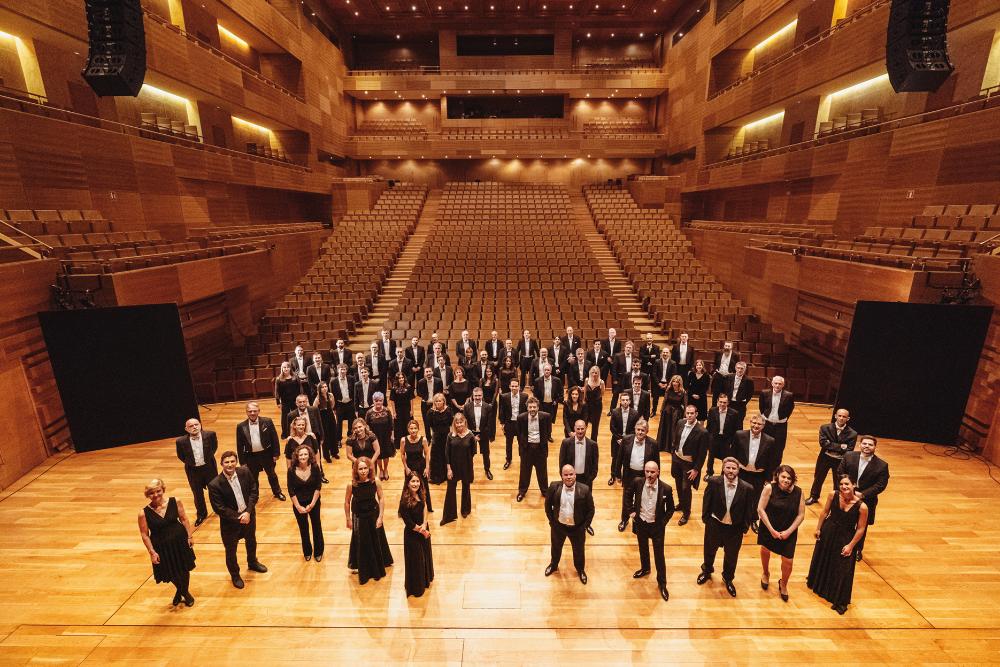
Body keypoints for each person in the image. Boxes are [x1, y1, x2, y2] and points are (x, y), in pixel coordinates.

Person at [807, 474, 869, 614]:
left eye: (847, 484)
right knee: (825, 558)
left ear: (854, 485)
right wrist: (818, 528)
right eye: (841, 484)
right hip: (829, 531)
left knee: (843, 568)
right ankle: (820, 586)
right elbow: (824, 512)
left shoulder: (862, 507)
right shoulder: (833, 495)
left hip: (846, 536)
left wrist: (851, 546)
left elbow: (860, 529)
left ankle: (839, 598)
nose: (843, 487)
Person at [208, 450, 267, 589]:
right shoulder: (214, 484)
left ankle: (252, 562)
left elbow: (253, 491)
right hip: (230, 523)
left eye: (232, 461)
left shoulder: (245, 472)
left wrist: (248, 512)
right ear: (221, 464)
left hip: (249, 516)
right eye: (226, 462)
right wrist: (240, 517)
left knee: (251, 541)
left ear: (236, 462)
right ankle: (235, 575)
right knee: (231, 551)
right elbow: (219, 508)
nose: (230, 464)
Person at [697, 457, 754, 597]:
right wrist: (706, 519)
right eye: (728, 467)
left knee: (731, 556)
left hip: (734, 528)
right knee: (709, 550)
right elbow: (707, 500)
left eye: (734, 468)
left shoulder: (747, 488)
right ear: (723, 468)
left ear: (738, 470)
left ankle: (728, 578)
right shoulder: (713, 482)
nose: (731, 470)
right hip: (715, 524)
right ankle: (707, 571)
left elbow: (749, 510)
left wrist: (744, 527)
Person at [137, 478, 195, 606]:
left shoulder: (175, 501)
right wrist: (152, 552)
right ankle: (185, 593)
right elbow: (144, 535)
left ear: (163, 490)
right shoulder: (143, 513)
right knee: (171, 572)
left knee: (184, 568)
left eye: (158, 491)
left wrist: (189, 536)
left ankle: (181, 592)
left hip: (180, 541)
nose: (155, 495)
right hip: (162, 546)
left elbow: (184, 519)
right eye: (151, 493)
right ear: (147, 495)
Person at [625, 460, 675, 602]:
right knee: (643, 548)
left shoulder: (666, 489)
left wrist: (662, 523)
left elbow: (670, 509)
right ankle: (645, 568)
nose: (649, 474)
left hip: (657, 527)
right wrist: (631, 512)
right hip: (641, 523)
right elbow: (627, 495)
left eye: (652, 472)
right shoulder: (637, 482)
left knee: (659, 555)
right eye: (647, 471)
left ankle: (662, 583)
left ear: (658, 472)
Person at [757, 464, 805, 602]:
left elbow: (801, 515)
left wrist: (789, 532)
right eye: (783, 477)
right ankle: (766, 573)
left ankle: (783, 583)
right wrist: (771, 530)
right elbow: (760, 509)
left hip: (788, 530)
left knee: (788, 560)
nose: (786, 480)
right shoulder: (769, 488)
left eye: (789, 478)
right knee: (765, 549)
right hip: (769, 527)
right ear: (777, 476)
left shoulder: (799, 492)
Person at [837, 435, 889, 561]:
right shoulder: (849, 456)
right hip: (846, 496)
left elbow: (880, 485)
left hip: (866, 500)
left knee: (862, 527)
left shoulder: (882, 465)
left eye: (870, 444)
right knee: (842, 521)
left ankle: (858, 550)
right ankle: (839, 544)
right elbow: (840, 473)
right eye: (864, 443)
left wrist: (862, 494)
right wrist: (847, 490)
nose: (867, 446)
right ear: (860, 445)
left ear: (875, 447)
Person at [544, 464, 595, 585]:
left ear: (575, 475)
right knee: (556, 548)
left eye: (571, 474)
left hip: (577, 528)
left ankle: (580, 570)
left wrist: (585, 526)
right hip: (558, 527)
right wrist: (552, 522)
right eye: (566, 475)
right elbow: (547, 506)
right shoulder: (553, 487)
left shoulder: (585, 489)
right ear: (561, 476)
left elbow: (591, 510)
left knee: (579, 551)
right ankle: (554, 565)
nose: (568, 477)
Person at [345, 456, 393, 584]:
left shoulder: (375, 481)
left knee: (376, 538)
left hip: (373, 514)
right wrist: (348, 519)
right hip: (359, 516)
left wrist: (380, 517)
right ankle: (362, 566)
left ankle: (378, 563)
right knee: (361, 541)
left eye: (365, 468)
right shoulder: (351, 484)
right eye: (360, 469)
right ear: (356, 470)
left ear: (369, 468)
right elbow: (347, 502)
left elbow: (381, 498)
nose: (363, 471)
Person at [732, 413, 778, 531]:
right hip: (741, 472)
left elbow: (771, 462)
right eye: (754, 423)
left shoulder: (770, 440)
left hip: (758, 475)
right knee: (738, 496)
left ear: (763, 426)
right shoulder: (739, 435)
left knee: (756, 498)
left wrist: (768, 479)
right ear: (750, 423)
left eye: (759, 424)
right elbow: (733, 455)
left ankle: (753, 520)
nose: (756, 426)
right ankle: (737, 518)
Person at [806, 408, 858, 505]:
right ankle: (814, 496)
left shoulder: (853, 433)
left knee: (838, 481)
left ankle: (836, 500)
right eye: (839, 416)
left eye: (844, 417)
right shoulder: (825, 428)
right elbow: (823, 443)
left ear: (848, 419)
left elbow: (849, 449)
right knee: (818, 478)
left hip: (840, 460)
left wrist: (830, 444)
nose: (841, 418)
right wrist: (841, 446)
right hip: (824, 458)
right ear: (835, 416)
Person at [615, 419, 659, 532]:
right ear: (635, 429)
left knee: (641, 498)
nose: (640, 432)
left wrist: (655, 479)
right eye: (638, 430)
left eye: (643, 430)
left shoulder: (653, 444)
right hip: (629, 474)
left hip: (644, 476)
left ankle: (638, 522)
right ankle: (624, 520)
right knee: (626, 498)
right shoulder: (626, 440)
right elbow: (619, 458)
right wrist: (617, 474)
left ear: (647, 431)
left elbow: (656, 463)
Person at [236, 402, 284, 501]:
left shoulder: (267, 421)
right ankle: (255, 496)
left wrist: (276, 453)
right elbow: (239, 445)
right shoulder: (241, 426)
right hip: (251, 456)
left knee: (272, 474)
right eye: (250, 411)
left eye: (254, 411)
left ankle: (277, 492)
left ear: (259, 411)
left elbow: (274, 438)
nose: (252, 413)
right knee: (253, 477)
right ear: (246, 412)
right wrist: (242, 461)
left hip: (266, 454)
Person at [175, 418, 217, 527]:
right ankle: (201, 514)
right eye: (191, 426)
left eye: (196, 424)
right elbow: (181, 456)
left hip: (209, 468)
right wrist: (192, 463)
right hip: (193, 470)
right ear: (186, 429)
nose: (194, 427)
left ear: (200, 425)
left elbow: (214, 448)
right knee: (197, 494)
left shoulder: (210, 435)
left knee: (214, 490)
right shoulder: (180, 441)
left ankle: (218, 509)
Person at [671, 405, 709, 525]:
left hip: (689, 464)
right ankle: (681, 504)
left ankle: (686, 513)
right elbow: (675, 439)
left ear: (696, 414)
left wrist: (696, 469)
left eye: (692, 413)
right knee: (678, 483)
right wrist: (673, 454)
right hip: (677, 459)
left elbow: (702, 454)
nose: (689, 415)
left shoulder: (702, 431)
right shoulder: (680, 423)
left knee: (686, 488)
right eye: (687, 413)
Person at [399, 471, 434, 597]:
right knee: (416, 560)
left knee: (425, 555)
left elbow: (425, 507)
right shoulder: (404, 501)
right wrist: (422, 530)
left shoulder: (421, 493)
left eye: (417, 481)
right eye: (413, 481)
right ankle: (416, 587)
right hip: (413, 534)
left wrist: (424, 524)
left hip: (423, 529)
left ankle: (425, 580)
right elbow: (408, 522)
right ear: (407, 483)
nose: (415, 484)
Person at [287, 443, 324, 562]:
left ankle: (318, 552)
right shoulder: (291, 470)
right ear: (297, 456)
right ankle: (307, 551)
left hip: (314, 502)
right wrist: (298, 507)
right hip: (299, 504)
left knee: (316, 526)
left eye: (305, 454)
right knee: (303, 528)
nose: (303, 457)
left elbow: (318, 486)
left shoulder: (315, 467)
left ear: (309, 455)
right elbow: (291, 490)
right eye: (301, 455)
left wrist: (312, 504)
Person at [441, 412, 476, 525]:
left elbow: (473, 452)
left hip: (466, 466)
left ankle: (465, 510)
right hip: (453, 467)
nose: (459, 425)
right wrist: (449, 469)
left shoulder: (470, 435)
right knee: (450, 489)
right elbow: (446, 453)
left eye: (461, 422)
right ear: (454, 424)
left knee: (466, 487)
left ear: (465, 422)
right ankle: (449, 515)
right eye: (457, 422)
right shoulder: (450, 436)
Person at [516, 397, 552, 502]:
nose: (532, 409)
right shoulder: (521, 418)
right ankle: (522, 491)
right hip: (527, 449)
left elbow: (548, 431)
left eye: (534, 407)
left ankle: (545, 491)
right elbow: (519, 434)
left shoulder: (546, 417)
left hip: (540, 449)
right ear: (527, 408)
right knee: (524, 472)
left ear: (538, 407)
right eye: (530, 407)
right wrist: (522, 447)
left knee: (542, 472)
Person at [558, 420, 599, 511]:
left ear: (586, 428)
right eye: (578, 429)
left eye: (582, 429)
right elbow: (561, 463)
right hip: (570, 479)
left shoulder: (593, 445)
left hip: (586, 479)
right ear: (574, 429)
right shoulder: (566, 443)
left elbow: (595, 466)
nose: (580, 431)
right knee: (570, 503)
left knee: (585, 504)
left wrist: (589, 479)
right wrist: (566, 478)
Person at [759, 376, 795, 465]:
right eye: (775, 383)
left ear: (783, 385)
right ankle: (763, 465)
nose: (777, 385)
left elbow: (790, 409)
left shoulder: (789, 395)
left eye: (780, 384)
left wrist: (783, 418)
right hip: (767, 424)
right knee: (764, 445)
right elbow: (762, 407)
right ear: (772, 383)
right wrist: (765, 416)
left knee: (779, 448)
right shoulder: (764, 393)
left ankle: (775, 468)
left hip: (781, 426)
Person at [463, 386, 496, 480]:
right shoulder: (467, 407)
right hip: (470, 434)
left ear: (482, 395)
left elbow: (489, 424)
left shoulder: (488, 407)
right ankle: (469, 471)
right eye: (475, 396)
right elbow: (465, 423)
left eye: (479, 395)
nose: (477, 398)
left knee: (486, 453)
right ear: (472, 396)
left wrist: (481, 435)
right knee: (469, 454)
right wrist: (472, 435)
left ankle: (487, 470)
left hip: (483, 434)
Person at [400, 419, 433, 513]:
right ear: (408, 429)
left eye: (415, 428)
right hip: (409, 466)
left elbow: (427, 454)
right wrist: (406, 467)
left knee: (424, 486)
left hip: (421, 466)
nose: (413, 430)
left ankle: (428, 507)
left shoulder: (423, 439)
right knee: (407, 486)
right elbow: (402, 454)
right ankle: (405, 507)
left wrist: (427, 467)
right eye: (411, 428)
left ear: (418, 429)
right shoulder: (403, 440)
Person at [608, 393, 639, 486]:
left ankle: (625, 477)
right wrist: (618, 438)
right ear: (620, 401)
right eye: (623, 400)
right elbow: (612, 427)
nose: (625, 402)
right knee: (615, 459)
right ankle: (613, 476)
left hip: (629, 441)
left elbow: (635, 428)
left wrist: (626, 439)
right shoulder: (614, 412)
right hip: (616, 440)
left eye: (627, 400)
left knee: (627, 459)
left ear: (629, 401)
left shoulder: (635, 413)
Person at [705, 394, 739, 477]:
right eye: (720, 402)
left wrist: (732, 442)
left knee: (726, 458)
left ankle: (723, 475)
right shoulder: (712, 411)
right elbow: (708, 426)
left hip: (726, 439)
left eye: (724, 402)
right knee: (711, 457)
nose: (722, 404)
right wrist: (708, 438)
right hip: (714, 438)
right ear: (717, 402)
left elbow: (736, 429)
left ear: (728, 403)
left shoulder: (734, 413)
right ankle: (709, 473)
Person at [499, 379, 528, 471]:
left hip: (520, 424)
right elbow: (501, 411)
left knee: (522, 443)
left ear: (519, 387)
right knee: (508, 443)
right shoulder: (504, 397)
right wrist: (502, 423)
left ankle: (523, 460)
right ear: (509, 386)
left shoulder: (525, 396)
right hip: (509, 423)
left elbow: (527, 411)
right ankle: (508, 460)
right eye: (512, 386)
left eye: (516, 386)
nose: (514, 388)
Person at [366, 392, 394, 481]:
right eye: (376, 400)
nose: (378, 402)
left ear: (383, 401)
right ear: (373, 401)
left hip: (386, 436)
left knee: (386, 454)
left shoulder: (387, 411)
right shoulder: (369, 412)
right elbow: (367, 426)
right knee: (378, 455)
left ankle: (385, 469)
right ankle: (381, 470)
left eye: (380, 400)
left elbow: (391, 425)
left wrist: (392, 436)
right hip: (375, 438)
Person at [426, 393, 452, 484]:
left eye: (440, 401)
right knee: (436, 456)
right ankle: (436, 477)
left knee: (446, 455)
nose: (438, 403)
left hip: (446, 437)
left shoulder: (448, 410)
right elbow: (429, 425)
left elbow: (451, 423)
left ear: (443, 401)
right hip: (436, 437)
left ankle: (446, 475)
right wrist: (430, 437)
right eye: (436, 401)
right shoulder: (430, 412)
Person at [656, 375, 687, 453]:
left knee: (673, 430)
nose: (675, 383)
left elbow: (685, 404)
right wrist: (662, 409)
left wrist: (684, 415)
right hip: (667, 412)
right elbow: (665, 401)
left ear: (680, 383)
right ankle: (663, 446)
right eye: (673, 381)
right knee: (665, 429)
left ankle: (672, 447)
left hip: (677, 413)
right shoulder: (668, 389)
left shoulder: (683, 392)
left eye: (677, 382)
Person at [331, 363, 354, 456]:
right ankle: (338, 440)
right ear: (338, 370)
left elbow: (354, 391)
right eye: (341, 369)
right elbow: (333, 395)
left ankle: (350, 437)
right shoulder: (333, 381)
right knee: (339, 423)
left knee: (351, 421)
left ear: (346, 371)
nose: (343, 371)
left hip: (350, 403)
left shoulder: (351, 379)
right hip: (339, 404)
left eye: (344, 369)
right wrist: (334, 408)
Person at [312, 381, 338, 463]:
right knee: (325, 437)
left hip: (330, 416)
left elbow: (333, 405)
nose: (324, 388)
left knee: (333, 434)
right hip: (322, 418)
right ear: (319, 389)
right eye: (322, 387)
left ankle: (334, 452)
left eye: (325, 386)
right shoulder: (317, 399)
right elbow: (314, 409)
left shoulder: (330, 395)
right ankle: (326, 456)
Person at [274, 361, 301, 438]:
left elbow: (300, 388)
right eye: (284, 367)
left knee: (296, 415)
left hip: (295, 401)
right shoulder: (279, 379)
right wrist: (278, 402)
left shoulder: (295, 377)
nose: (286, 369)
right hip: (285, 401)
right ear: (282, 369)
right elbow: (277, 392)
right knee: (284, 417)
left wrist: (300, 398)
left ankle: (297, 431)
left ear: (290, 368)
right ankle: (285, 433)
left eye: (287, 367)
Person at [416, 366, 443, 441]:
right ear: (424, 373)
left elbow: (440, 392)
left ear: (432, 372)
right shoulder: (421, 382)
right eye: (426, 372)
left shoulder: (439, 381)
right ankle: (428, 438)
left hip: (436, 404)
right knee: (426, 422)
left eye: (429, 371)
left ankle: (436, 438)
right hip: (425, 404)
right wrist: (425, 399)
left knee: (437, 421)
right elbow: (418, 393)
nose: (428, 373)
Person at [723, 361, 754, 426]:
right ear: (735, 368)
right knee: (727, 422)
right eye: (738, 368)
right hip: (729, 403)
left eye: (742, 368)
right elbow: (724, 389)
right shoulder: (728, 377)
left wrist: (744, 401)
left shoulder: (749, 380)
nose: (740, 370)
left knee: (739, 423)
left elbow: (750, 393)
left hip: (740, 404)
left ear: (745, 369)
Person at [610, 340, 637, 410]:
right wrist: (615, 380)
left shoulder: (635, 357)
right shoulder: (618, 356)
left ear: (632, 349)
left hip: (629, 380)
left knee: (627, 395)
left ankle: (622, 409)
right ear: (624, 348)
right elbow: (614, 369)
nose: (628, 349)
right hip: (619, 379)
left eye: (630, 348)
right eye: (627, 347)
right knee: (615, 395)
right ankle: (612, 410)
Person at [390, 371, 414, 444]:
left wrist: (412, 410)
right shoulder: (394, 389)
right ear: (397, 380)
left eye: (402, 377)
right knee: (399, 426)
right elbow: (392, 401)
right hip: (398, 409)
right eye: (399, 378)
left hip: (407, 409)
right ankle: (399, 443)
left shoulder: (409, 387)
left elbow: (411, 399)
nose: (401, 379)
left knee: (408, 424)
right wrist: (394, 412)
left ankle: (409, 442)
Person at [651, 348, 676, 417]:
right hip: (658, 383)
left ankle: (665, 412)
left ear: (669, 354)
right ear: (661, 353)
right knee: (655, 398)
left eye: (666, 352)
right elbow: (654, 373)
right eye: (664, 352)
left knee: (668, 399)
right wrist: (659, 383)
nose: (665, 354)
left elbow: (673, 375)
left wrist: (667, 384)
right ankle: (654, 411)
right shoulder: (657, 362)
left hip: (668, 384)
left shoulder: (673, 363)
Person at [583, 365, 605, 443]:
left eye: (596, 373)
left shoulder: (601, 382)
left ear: (598, 373)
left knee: (595, 425)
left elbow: (602, 393)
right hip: (587, 404)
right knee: (584, 422)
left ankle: (593, 442)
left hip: (597, 406)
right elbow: (585, 391)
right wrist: (584, 401)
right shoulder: (587, 380)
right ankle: (582, 439)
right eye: (593, 372)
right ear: (590, 372)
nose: (594, 374)